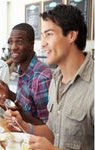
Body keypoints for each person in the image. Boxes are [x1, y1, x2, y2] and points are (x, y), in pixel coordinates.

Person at [5, 4, 94, 150]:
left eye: (49, 34)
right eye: (42, 36)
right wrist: (23, 125)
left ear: (71, 35)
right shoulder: (56, 79)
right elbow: (53, 132)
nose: (43, 44)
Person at [0, 23, 52, 124]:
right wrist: (10, 95)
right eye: (11, 42)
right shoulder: (22, 69)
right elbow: (28, 106)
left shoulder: (41, 78)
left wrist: (21, 116)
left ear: (31, 45)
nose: (13, 47)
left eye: (19, 42)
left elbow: (48, 127)